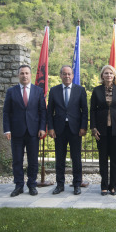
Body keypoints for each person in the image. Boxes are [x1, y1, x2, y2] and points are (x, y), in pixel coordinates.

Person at [3, 65, 47, 197]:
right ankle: (19, 185)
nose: (24, 75)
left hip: (33, 131)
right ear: (18, 75)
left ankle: (32, 184)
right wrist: (7, 130)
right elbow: (6, 112)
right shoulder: (11, 91)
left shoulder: (38, 91)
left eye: (27, 73)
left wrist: (42, 128)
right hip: (16, 131)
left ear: (30, 75)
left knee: (33, 160)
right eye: (22, 73)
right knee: (17, 160)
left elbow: (42, 112)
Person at [47, 65, 88, 195]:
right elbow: (49, 112)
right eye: (64, 74)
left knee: (76, 158)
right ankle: (60, 185)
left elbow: (84, 111)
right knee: (60, 159)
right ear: (61, 75)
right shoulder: (54, 91)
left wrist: (83, 127)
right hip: (59, 130)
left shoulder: (80, 90)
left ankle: (77, 184)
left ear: (72, 75)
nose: (67, 76)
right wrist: (51, 128)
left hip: (75, 129)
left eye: (69, 74)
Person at [90, 65, 116, 196]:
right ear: (102, 76)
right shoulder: (96, 91)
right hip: (101, 130)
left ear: (114, 76)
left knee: (115, 160)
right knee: (102, 159)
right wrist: (93, 128)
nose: (108, 75)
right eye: (106, 73)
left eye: (111, 73)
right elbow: (92, 110)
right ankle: (104, 186)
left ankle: (114, 186)